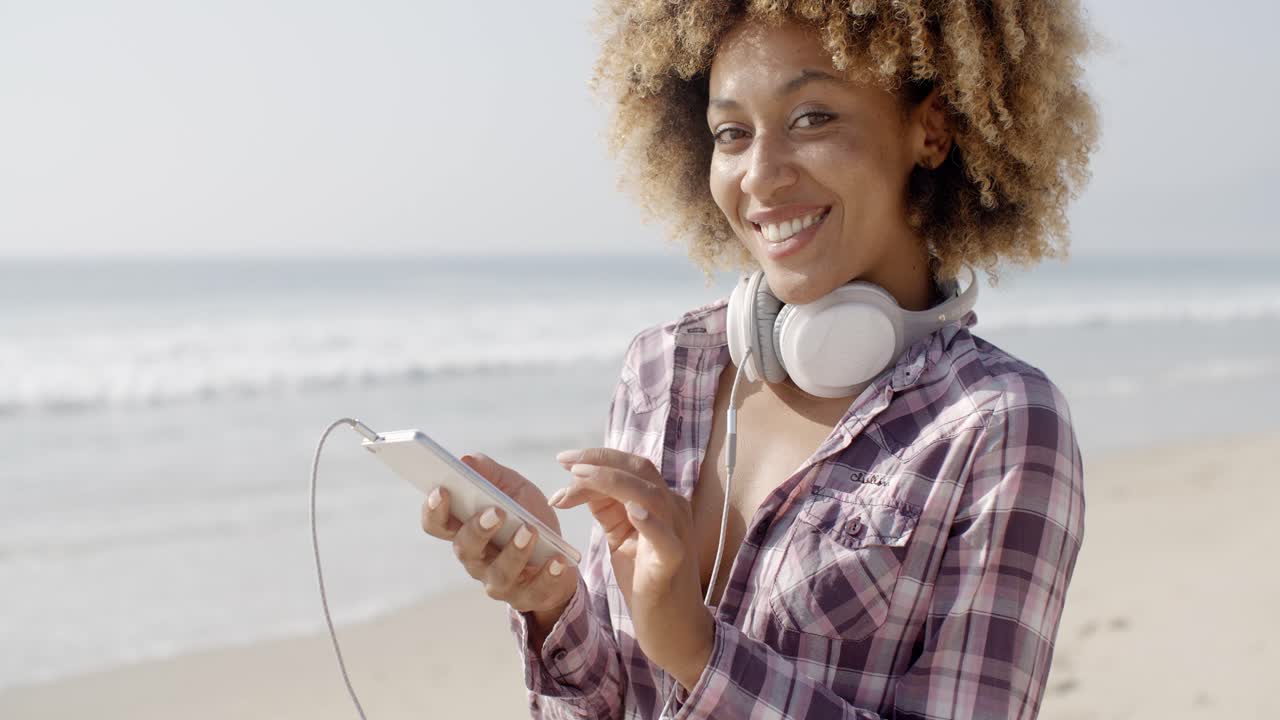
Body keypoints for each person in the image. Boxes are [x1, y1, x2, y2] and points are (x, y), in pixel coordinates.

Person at [421, 1, 1097, 717]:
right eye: (732, 133)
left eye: (813, 118)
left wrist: (697, 651)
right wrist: (555, 602)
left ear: (930, 129)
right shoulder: (663, 369)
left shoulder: (998, 426)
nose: (761, 176)